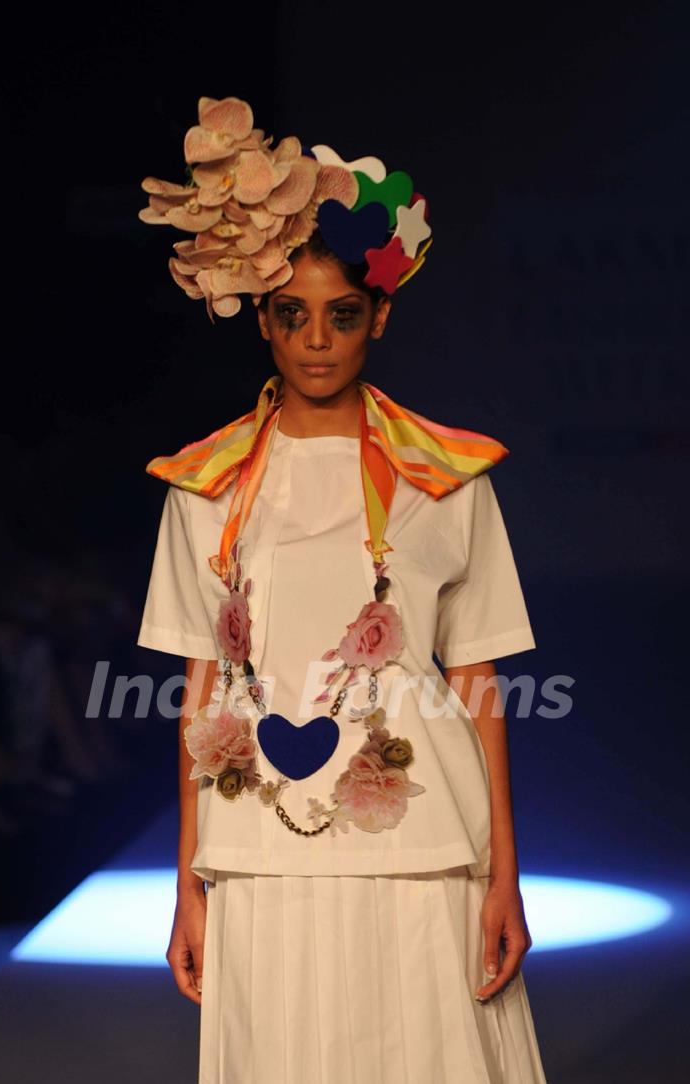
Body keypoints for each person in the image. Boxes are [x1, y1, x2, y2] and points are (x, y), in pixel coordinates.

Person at [137, 95, 549, 1083]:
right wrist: (188, 887)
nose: (317, 339)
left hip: (422, 842)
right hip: (258, 843)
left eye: (343, 313)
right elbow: (200, 695)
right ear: (265, 324)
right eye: (293, 314)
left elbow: (482, 682)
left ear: (381, 316)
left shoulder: (448, 478)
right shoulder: (207, 486)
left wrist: (506, 880)